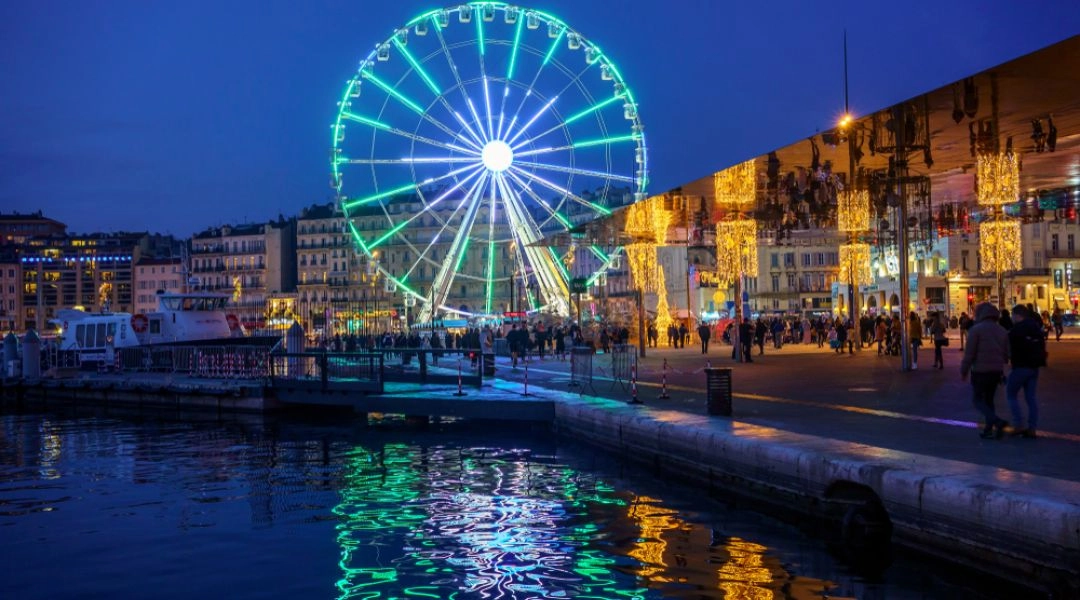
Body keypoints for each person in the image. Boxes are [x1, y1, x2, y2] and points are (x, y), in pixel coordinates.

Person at [960, 303, 1010, 439]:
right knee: (989, 400)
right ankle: (988, 429)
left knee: (977, 400)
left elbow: (969, 353)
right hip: (996, 371)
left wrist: (964, 370)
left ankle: (996, 421)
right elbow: (1006, 355)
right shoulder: (1002, 330)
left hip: (980, 371)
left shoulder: (976, 330)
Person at [1006, 305, 1045, 439]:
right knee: (1031, 397)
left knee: (1011, 394)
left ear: (1017, 315)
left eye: (1012, 315)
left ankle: (1018, 424)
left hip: (1021, 366)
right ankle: (1032, 428)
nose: (1012, 318)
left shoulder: (1017, 329)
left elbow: (1010, 348)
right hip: (1034, 367)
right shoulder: (1035, 327)